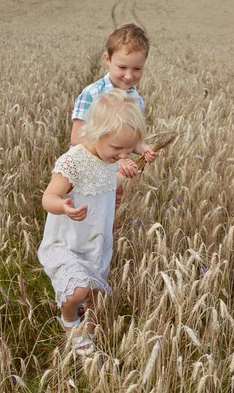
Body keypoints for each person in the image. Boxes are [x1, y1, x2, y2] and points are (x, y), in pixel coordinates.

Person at [38, 89, 146, 355]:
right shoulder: (73, 162)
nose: (123, 155)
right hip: (67, 242)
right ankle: (69, 321)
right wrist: (62, 206)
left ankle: (87, 320)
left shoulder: (111, 158)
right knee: (78, 290)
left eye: (128, 149)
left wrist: (127, 173)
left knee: (94, 293)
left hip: (95, 240)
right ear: (95, 134)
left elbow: (108, 185)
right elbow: (48, 197)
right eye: (117, 149)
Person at [70, 23, 158, 179]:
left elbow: (129, 141)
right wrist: (117, 161)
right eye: (122, 67)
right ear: (107, 59)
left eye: (137, 69)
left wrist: (142, 148)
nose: (129, 76)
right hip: (84, 171)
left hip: (113, 176)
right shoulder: (92, 93)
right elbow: (76, 138)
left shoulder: (136, 100)